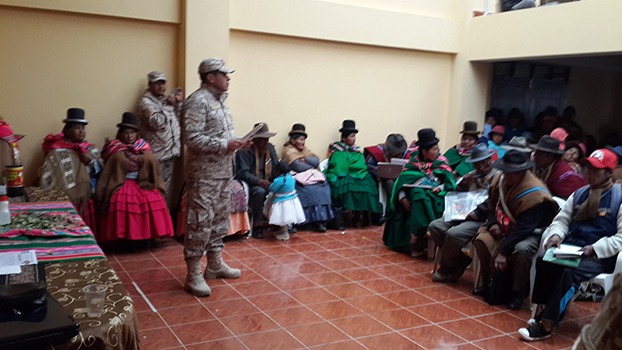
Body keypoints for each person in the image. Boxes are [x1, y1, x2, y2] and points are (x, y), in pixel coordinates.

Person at [519, 149, 622, 341]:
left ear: (609, 173)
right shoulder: (579, 193)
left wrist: (595, 249)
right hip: (572, 249)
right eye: (587, 168)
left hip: (599, 256)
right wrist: (556, 235)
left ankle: (547, 324)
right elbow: (562, 221)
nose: (588, 173)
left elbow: (620, 237)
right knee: (544, 261)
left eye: (595, 170)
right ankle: (541, 310)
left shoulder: (619, 198)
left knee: (570, 273)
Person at [182, 57, 252, 297]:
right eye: (224, 74)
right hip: (204, 175)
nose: (228, 78)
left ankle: (214, 263)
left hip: (223, 173)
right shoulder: (197, 102)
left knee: (220, 218)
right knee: (200, 221)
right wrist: (225, 143)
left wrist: (237, 144)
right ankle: (193, 273)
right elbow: (192, 139)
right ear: (210, 77)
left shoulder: (220, 102)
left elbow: (220, 138)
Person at [473, 150, 558, 310]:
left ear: (521, 173)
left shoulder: (535, 193)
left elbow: (524, 228)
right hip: (502, 225)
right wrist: (493, 224)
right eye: (504, 171)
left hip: (531, 231)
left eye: (510, 173)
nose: (505, 176)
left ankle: (517, 292)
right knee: (481, 241)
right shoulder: (500, 181)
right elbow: (492, 206)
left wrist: (503, 253)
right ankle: (490, 282)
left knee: (521, 250)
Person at [95, 113, 173, 241]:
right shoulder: (113, 149)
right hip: (120, 183)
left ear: (137, 134)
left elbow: (152, 168)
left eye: (132, 132)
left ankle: (147, 236)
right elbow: (110, 172)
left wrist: (140, 159)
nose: (129, 136)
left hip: (143, 183)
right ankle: (122, 238)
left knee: (152, 200)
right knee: (118, 203)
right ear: (120, 134)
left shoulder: (144, 148)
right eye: (126, 132)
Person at [429, 143, 498, 283]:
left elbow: (495, 201)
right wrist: (462, 184)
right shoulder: (472, 175)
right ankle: (459, 260)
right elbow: (458, 196)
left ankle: (446, 267)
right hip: (463, 213)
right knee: (435, 226)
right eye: (476, 165)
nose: (478, 168)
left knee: (454, 234)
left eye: (482, 164)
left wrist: (478, 212)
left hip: (482, 218)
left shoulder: (497, 177)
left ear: (490, 161)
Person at [383, 128, 456, 256]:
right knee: (417, 195)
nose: (437, 152)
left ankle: (422, 238)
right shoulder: (413, 163)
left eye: (437, 148)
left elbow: (449, 183)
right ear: (424, 151)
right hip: (413, 196)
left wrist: (441, 188)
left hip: (436, 196)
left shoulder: (441, 162)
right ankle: (409, 239)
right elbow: (402, 183)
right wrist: (402, 198)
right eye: (433, 149)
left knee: (420, 197)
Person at [39, 108, 103, 230]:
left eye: (83, 128)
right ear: (67, 131)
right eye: (77, 128)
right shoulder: (57, 151)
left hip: (87, 195)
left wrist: (91, 162)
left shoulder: (89, 148)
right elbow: (52, 175)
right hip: (69, 198)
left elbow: (102, 171)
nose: (81, 131)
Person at [325, 120, 382, 227]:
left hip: (358, 174)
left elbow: (361, 164)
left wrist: (354, 167)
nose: (354, 139)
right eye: (351, 136)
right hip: (341, 175)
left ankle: (369, 216)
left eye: (354, 136)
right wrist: (346, 166)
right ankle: (346, 217)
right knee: (346, 189)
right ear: (344, 138)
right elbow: (336, 163)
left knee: (369, 187)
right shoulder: (336, 148)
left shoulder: (356, 149)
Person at [281, 123, 334, 232]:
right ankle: (306, 221)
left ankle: (320, 220)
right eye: (300, 139)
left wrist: (305, 159)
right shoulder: (288, 150)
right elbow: (297, 166)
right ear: (293, 141)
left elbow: (317, 160)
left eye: (304, 139)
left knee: (323, 187)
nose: (302, 142)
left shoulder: (305, 150)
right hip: (297, 178)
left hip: (310, 177)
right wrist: (310, 165)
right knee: (310, 190)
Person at [137, 71, 183, 192]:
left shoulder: (165, 100)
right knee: (154, 189)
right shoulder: (146, 103)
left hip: (170, 152)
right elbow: (156, 123)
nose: (161, 86)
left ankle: (162, 211)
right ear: (150, 85)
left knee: (164, 188)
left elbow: (178, 119)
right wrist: (168, 106)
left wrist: (177, 104)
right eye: (157, 83)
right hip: (157, 154)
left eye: (163, 83)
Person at [235, 123, 278, 239]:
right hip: (252, 184)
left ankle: (281, 224)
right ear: (254, 140)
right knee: (259, 192)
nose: (265, 142)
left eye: (267, 139)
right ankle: (257, 226)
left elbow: (276, 167)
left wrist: (278, 181)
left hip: (269, 181)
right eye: (262, 139)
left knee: (285, 188)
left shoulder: (270, 148)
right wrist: (258, 181)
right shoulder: (244, 151)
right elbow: (242, 173)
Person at [263, 161, 306, 241]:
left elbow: (272, 188)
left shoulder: (279, 180)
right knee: (286, 218)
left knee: (282, 218)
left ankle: (285, 233)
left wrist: (269, 185)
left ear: (278, 171)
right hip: (292, 200)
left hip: (282, 202)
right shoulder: (291, 177)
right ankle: (282, 230)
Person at [364, 133, 410, 201]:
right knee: (389, 182)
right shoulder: (377, 151)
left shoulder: (406, 156)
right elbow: (367, 167)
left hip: (401, 181)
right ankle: (391, 207)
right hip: (380, 180)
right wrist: (380, 170)